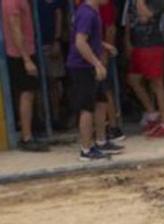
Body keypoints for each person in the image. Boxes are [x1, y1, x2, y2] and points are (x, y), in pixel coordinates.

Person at [68, 0, 123, 160]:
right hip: (82, 66)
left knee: (101, 101)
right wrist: (97, 63)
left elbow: (87, 37)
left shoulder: (90, 11)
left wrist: (103, 45)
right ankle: (86, 149)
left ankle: (100, 140)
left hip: (87, 64)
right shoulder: (86, 13)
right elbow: (80, 42)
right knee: (87, 107)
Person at [2, 0, 49, 151]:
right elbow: (15, 29)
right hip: (20, 54)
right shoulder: (11, 2)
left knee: (28, 93)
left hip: (25, 51)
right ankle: (26, 136)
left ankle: (29, 131)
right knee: (26, 94)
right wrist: (26, 59)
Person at [124, 0, 164, 138]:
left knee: (157, 83)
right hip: (138, 44)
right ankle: (152, 113)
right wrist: (127, 41)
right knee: (133, 79)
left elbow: (145, 16)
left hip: (153, 44)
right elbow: (129, 19)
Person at [37, 0, 67, 132]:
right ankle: (42, 119)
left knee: (54, 83)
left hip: (49, 43)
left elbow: (58, 15)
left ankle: (55, 117)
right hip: (37, 45)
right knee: (38, 86)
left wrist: (57, 40)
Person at [99, 0, 126, 143]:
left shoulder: (105, 4)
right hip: (91, 53)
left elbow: (110, 28)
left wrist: (105, 53)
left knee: (105, 90)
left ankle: (113, 126)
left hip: (100, 53)